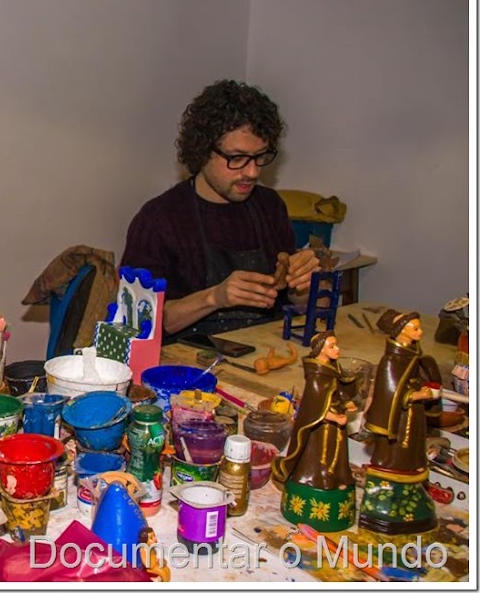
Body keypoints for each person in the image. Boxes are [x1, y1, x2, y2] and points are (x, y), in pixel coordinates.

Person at [120, 80, 319, 342]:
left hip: (264, 357)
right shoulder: (159, 220)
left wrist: (304, 283)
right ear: (203, 151)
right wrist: (215, 297)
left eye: (260, 156)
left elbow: (298, 304)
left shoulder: (270, 207)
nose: (253, 172)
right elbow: (135, 325)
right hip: (185, 369)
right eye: (236, 158)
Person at [358, 309, 441, 534]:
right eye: (414, 328)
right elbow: (391, 393)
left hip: (411, 417)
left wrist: (428, 387)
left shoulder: (413, 355)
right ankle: (384, 501)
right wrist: (419, 395)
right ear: (401, 332)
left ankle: (409, 496)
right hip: (398, 420)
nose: (420, 332)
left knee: (411, 455)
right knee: (396, 455)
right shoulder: (391, 360)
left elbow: (415, 379)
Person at [272, 331, 357, 532]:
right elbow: (313, 408)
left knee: (337, 456)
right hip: (320, 428)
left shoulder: (332, 368)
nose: (337, 350)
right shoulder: (316, 374)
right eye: (332, 346)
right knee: (320, 457)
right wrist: (334, 417)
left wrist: (347, 402)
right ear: (320, 350)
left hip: (335, 425)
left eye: (336, 345)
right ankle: (320, 479)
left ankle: (338, 478)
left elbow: (339, 391)